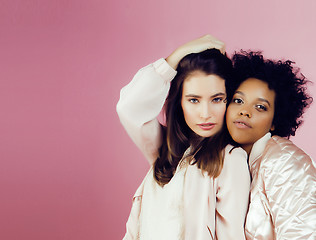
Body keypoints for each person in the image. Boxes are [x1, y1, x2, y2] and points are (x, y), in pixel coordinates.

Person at [116, 35, 250, 240]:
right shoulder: (166, 150)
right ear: (179, 102)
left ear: (228, 100)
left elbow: (231, 236)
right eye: (194, 100)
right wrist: (174, 58)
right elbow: (130, 107)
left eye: (217, 99)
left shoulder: (231, 159)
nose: (205, 113)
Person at [226, 50, 316, 239]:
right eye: (238, 100)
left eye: (260, 107)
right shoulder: (238, 161)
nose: (245, 111)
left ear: (275, 121)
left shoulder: (283, 160)